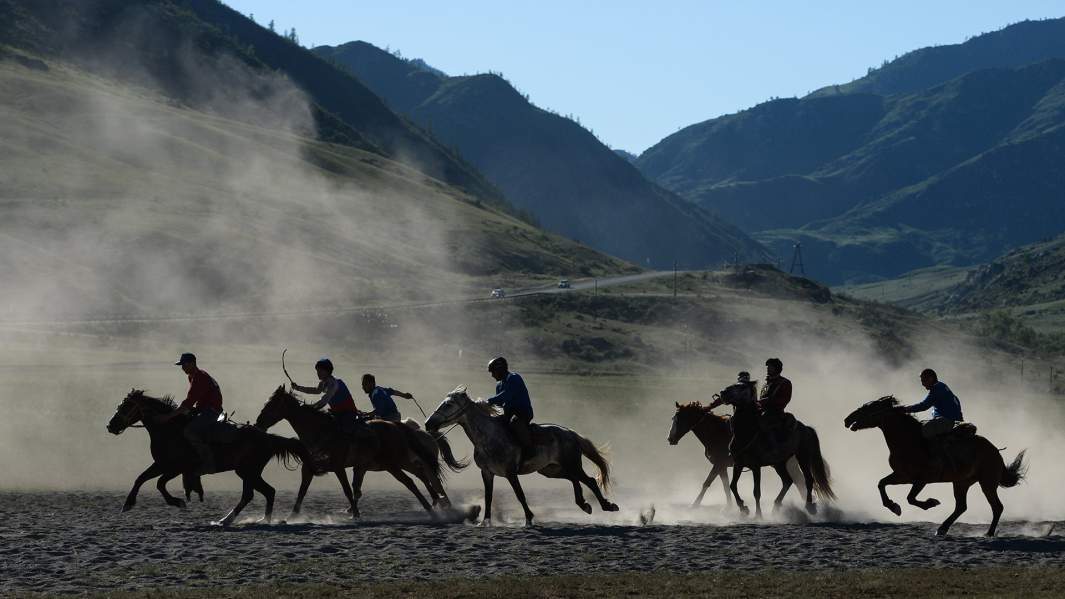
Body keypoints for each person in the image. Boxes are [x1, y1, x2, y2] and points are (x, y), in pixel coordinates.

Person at [163, 353, 223, 474]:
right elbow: (193, 400)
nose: (182, 368)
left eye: (184, 364)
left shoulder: (200, 377)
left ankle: (208, 463)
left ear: (192, 363)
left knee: (189, 431)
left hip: (210, 411)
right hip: (203, 409)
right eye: (181, 365)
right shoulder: (192, 376)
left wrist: (168, 416)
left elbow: (190, 401)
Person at [290, 358, 359, 434]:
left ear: (327, 371)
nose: (318, 373)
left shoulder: (334, 383)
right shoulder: (323, 382)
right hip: (337, 413)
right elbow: (316, 391)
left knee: (343, 432)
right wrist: (297, 388)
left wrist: (310, 408)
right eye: (317, 371)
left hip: (348, 413)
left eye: (320, 371)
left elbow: (324, 401)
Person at [486, 356, 534, 462]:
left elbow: (506, 395)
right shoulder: (499, 385)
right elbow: (498, 403)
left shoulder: (514, 378)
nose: (492, 375)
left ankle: (529, 451)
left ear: (500, 370)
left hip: (523, 413)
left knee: (515, 422)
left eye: (493, 372)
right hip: (508, 414)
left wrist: (487, 401)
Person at [758, 358, 792, 444]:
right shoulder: (766, 384)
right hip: (761, 411)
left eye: (770, 367)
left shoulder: (785, 383)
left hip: (775, 413)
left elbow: (785, 399)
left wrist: (768, 401)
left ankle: (773, 448)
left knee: (765, 425)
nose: (768, 369)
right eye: (768, 367)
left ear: (777, 369)